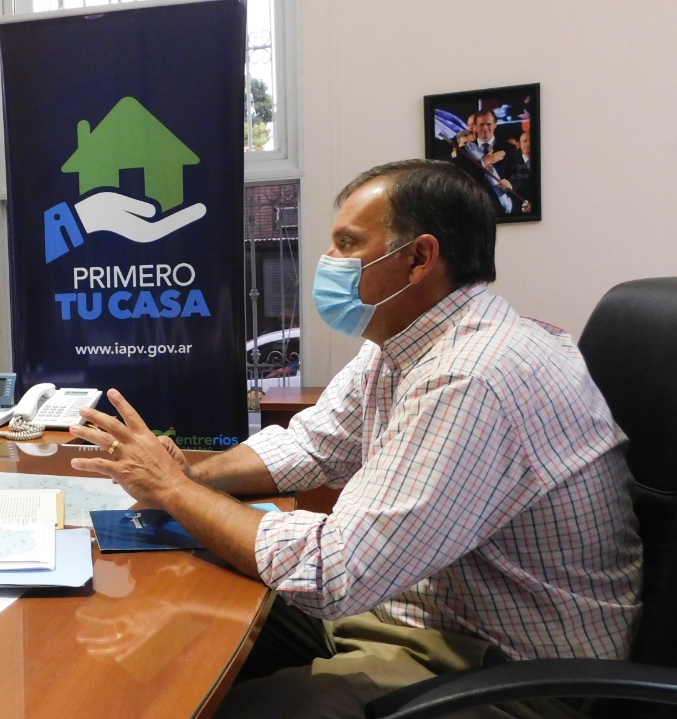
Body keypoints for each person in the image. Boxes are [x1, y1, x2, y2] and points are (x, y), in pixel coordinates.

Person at [69, 159, 641, 718]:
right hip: (407, 614)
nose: (328, 261)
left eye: (347, 244)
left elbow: (336, 572)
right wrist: (192, 476)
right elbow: (312, 445)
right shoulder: (402, 344)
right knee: (180, 626)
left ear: (418, 258)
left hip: (502, 672)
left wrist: (173, 491)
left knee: (216, 700)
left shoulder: (472, 376)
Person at [451, 109, 515, 214]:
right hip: (475, 207)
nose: (485, 128)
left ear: (495, 125)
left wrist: (510, 185)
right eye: (481, 125)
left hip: (503, 207)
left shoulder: (509, 148)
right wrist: (485, 162)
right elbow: (462, 178)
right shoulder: (464, 151)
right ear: (475, 127)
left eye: (488, 124)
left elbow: (517, 176)